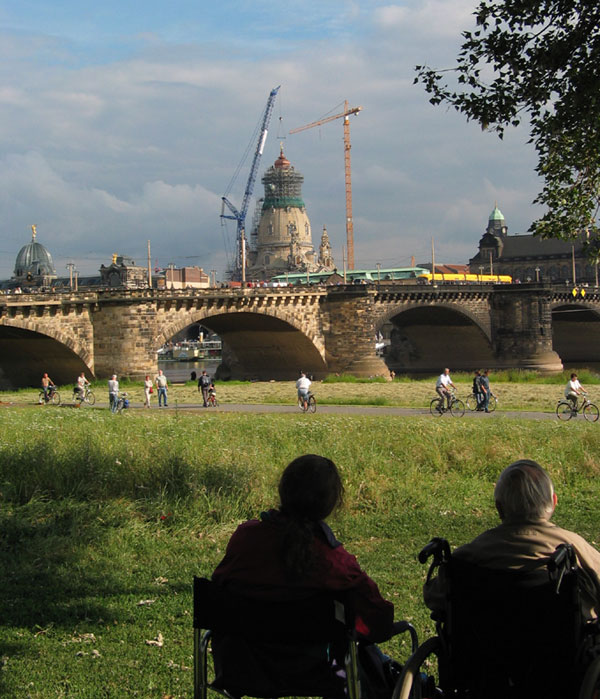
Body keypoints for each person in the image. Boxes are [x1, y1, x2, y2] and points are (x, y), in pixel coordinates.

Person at [212, 454, 399, 695]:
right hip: (318, 673)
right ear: (331, 503)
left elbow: (219, 588)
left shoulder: (244, 540)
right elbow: (379, 622)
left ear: (283, 490)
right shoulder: (335, 563)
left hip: (243, 668)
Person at [424, 459, 600, 620]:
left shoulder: (470, 555)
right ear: (553, 502)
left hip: (484, 651)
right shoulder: (576, 549)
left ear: (499, 507)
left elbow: (434, 597)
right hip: (564, 652)